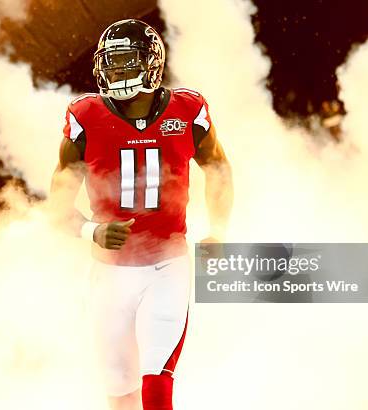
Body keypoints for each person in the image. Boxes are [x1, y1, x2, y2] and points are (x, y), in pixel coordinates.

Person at [50, 19, 233, 410]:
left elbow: (217, 166)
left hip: (167, 265)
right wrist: (91, 231)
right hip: (109, 274)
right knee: (120, 393)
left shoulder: (186, 109)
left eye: (126, 63)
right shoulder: (86, 115)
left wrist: (218, 229)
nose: (117, 73)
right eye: (111, 65)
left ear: (151, 64)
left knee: (155, 384)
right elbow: (57, 206)